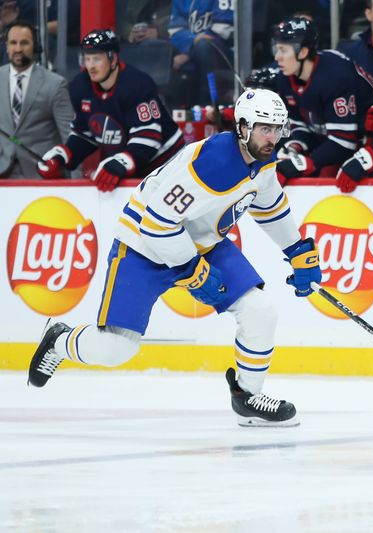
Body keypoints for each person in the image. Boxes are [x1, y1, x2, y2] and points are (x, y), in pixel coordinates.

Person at [27, 88, 323, 428]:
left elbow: (269, 203)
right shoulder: (212, 165)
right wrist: (191, 269)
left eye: (277, 129)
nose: (272, 138)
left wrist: (296, 249)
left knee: (260, 310)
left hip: (201, 242)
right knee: (115, 349)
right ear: (242, 127)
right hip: (142, 247)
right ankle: (58, 340)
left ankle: (248, 397)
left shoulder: (261, 156)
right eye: (264, 128)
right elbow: (156, 222)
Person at [36, 29, 184, 191]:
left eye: (97, 59)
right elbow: (86, 133)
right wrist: (64, 155)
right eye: (87, 59)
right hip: (133, 166)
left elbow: (148, 139)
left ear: (113, 59)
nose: (90, 66)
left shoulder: (137, 85)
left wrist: (120, 163)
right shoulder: (80, 86)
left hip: (168, 163)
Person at [271, 17, 373, 182]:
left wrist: (308, 162)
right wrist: (295, 147)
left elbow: (344, 141)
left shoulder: (335, 76)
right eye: (276, 49)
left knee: (327, 177)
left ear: (304, 52)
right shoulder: (285, 78)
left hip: (371, 144)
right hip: (331, 140)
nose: (277, 57)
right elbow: (301, 124)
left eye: (283, 50)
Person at [0, 20, 71, 179]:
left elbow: (70, 137)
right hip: (3, 174)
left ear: (35, 46)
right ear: (6, 46)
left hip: (42, 174)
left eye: (24, 43)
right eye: (13, 43)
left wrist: (79, 184)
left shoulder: (55, 84)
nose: (18, 49)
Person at [168, 0, 235, 106]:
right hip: (191, 53)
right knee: (170, 59)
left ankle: (209, 106)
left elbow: (223, 29)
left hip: (227, 56)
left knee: (204, 46)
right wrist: (193, 42)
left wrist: (190, 52)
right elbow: (174, 32)